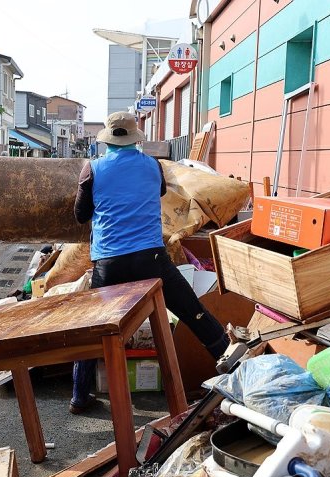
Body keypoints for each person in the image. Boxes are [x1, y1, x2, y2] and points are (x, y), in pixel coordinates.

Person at [70, 111, 230, 414]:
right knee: (191, 310)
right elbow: (157, 193)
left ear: (107, 139)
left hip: (109, 262)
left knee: (94, 327)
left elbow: (80, 215)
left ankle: (79, 395)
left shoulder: (92, 169)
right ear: (135, 138)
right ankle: (233, 368)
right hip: (151, 258)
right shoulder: (152, 166)